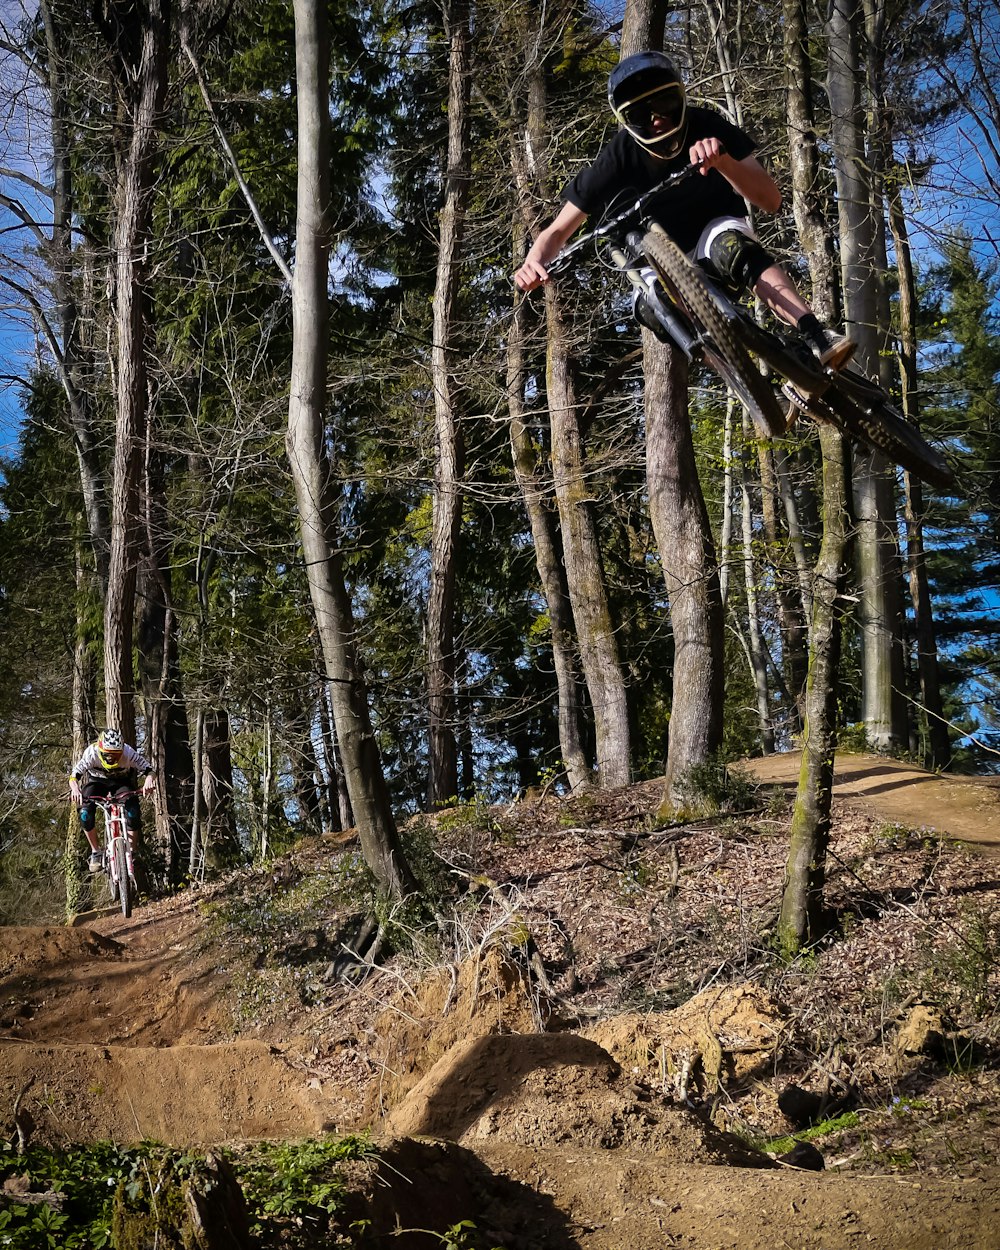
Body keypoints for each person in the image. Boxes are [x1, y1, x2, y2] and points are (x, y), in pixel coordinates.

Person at [513, 51, 856, 374]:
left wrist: (723, 162)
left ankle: (815, 333)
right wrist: (533, 262)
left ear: (681, 97)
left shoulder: (708, 125)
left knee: (733, 249)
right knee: (653, 308)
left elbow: (770, 200)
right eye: (642, 114)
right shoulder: (616, 158)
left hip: (713, 228)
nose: (658, 119)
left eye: (665, 102)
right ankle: (751, 384)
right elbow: (557, 232)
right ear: (626, 120)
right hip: (652, 255)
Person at [69, 729, 155, 872]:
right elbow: (74, 777)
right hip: (97, 782)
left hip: (121, 782)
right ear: (100, 749)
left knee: (132, 811)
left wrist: (149, 781)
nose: (111, 758)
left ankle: (132, 852)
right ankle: (96, 851)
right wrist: (75, 790)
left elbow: (149, 769)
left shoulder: (129, 752)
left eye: (115, 754)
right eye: (107, 754)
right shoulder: (91, 753)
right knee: (85, 813)